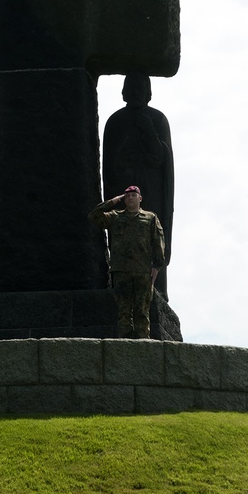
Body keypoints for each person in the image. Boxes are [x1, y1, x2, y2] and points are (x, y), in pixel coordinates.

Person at [102, 73, 174, 297]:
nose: (135, 92)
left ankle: (156, 288)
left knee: (152, 237)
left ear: (148, 92)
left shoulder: (157, 119)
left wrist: (148, 131)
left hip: (151, 189)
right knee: (124, 238)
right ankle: (121, 287)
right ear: (123, 91)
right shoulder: (115, 122)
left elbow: (162, 159)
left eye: (140, 87)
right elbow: (110, 164)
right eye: (131, 87)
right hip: (124, 188)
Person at [88, 186, 165, 339]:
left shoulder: (150, 218)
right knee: (123, 311)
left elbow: (158, 241)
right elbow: (93, 216)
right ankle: (124, 344)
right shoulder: (115, 217)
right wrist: (113, 201)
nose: (130, 198)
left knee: (142, 311)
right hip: (121, 271)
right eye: (127, 195)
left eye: (133, 195)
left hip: (142, 271)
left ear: (140, 198)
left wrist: (157, 266)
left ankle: (143, 343)